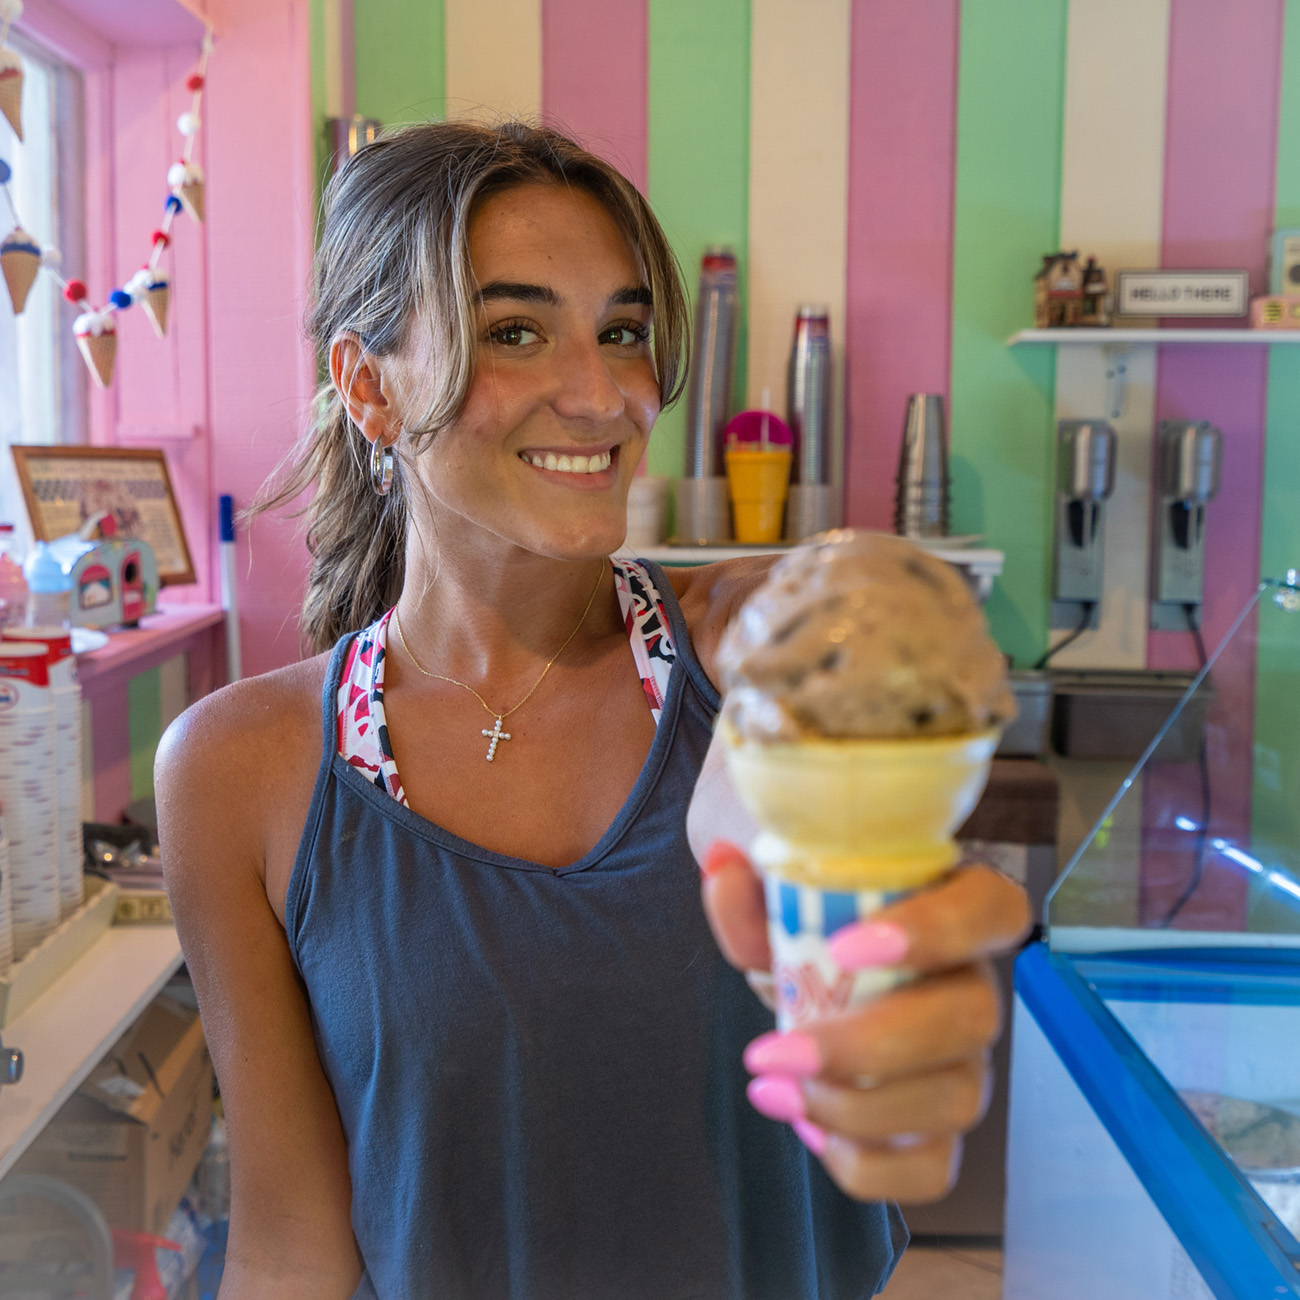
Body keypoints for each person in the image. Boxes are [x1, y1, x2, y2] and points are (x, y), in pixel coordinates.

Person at [156, 120, 1030, 1300]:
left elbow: (880, 633)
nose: (603, 393)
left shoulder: (735, 660)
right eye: (515, 332)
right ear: (369, 386)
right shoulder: (241, 769)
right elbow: (287, 1243)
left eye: (622, 332)